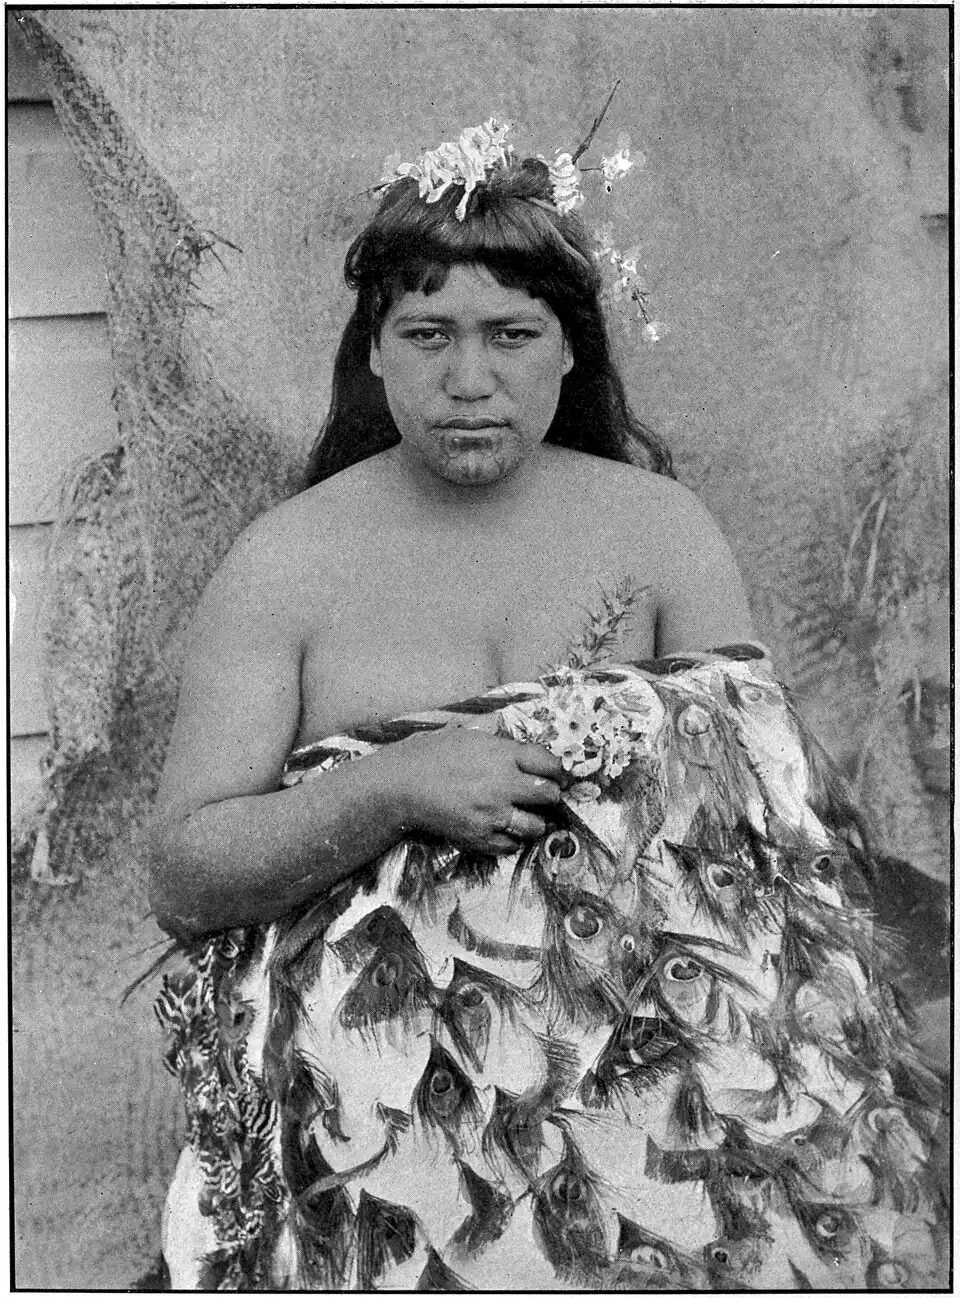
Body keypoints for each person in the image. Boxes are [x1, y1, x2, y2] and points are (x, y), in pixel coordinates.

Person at [151, 121, 945, 1292]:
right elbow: (183, 873)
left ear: (570, 349)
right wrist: (397, 783)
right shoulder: (286, 563)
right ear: (374, 349)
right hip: (384, 1113)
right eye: (427, 335)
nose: (470, 379)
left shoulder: (657, 529)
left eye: (512, 336)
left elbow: (773, 847)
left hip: (663, 1081)